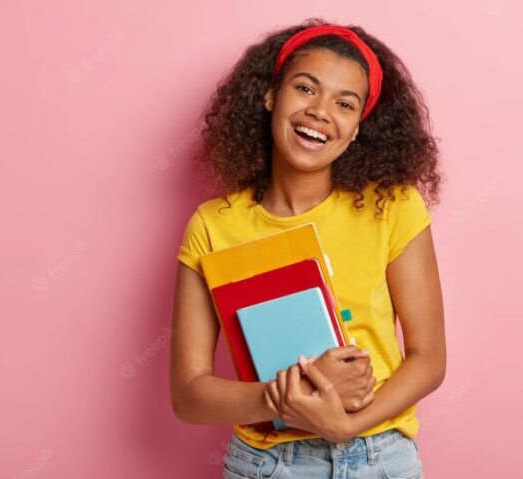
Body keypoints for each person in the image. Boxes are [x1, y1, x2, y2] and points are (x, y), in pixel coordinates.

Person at [171, 17, 446, 478]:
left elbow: (429, 359)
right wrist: (291, 394)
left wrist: (346, 423)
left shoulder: (392, 208)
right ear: (269, 96)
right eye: (305, 88)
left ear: (358, 127)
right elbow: (188, 393)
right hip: (267, 464)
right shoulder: (213, 226)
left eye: (345, 103)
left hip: (379, 459)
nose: (321, 111)